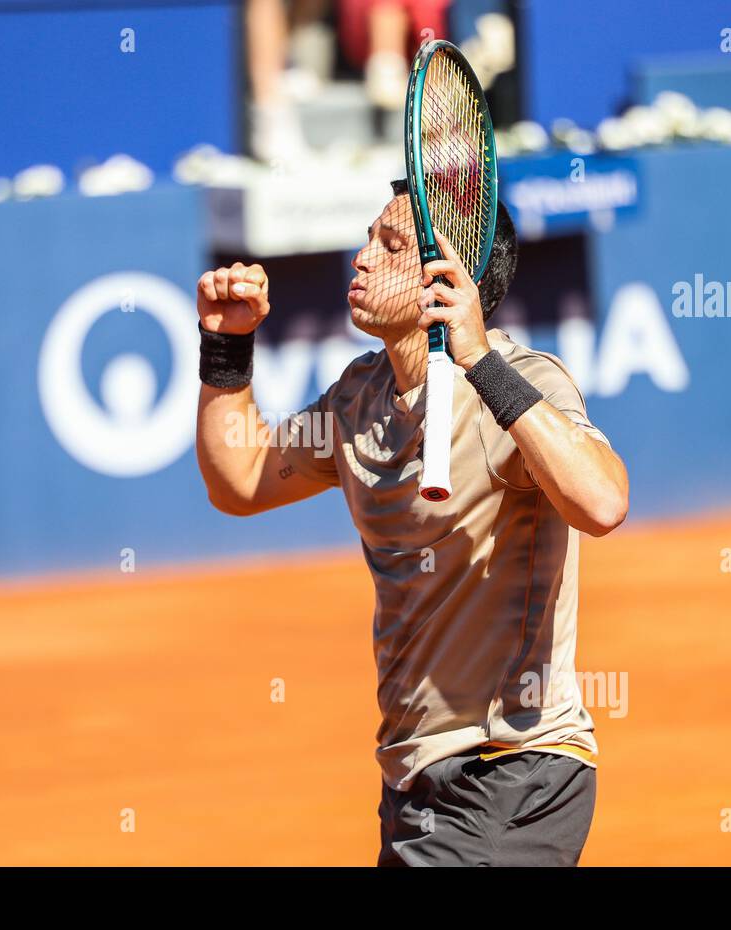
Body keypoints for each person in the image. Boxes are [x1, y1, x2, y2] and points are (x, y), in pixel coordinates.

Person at [193, 179, 629, 866]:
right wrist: (227, 350)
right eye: (369, 237)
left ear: (449, 282)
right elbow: (241, 481)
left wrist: (479, 359)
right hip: (413, 783)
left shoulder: (525, 380)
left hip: (510, 770)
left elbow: (602, 504)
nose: (361, 257)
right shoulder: (357, 399)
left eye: (391, 246)